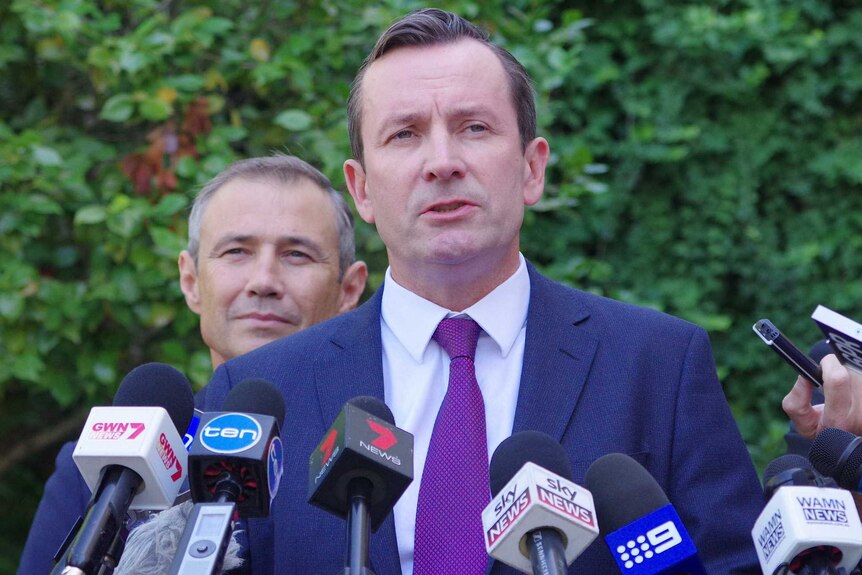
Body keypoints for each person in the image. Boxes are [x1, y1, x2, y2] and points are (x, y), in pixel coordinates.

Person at [197, 9, 764, 575]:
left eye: (475, 127)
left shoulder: (659, 365)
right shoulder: (258, 394)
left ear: (531, 168)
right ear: (362, 189)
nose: (442, 163)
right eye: (404, 134)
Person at [17, 155, 368, 574]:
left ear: (349, 290)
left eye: (297, 255)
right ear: (191, 282)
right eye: (236, 251)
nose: (264, 281)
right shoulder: (106, 470)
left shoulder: (365, 467)